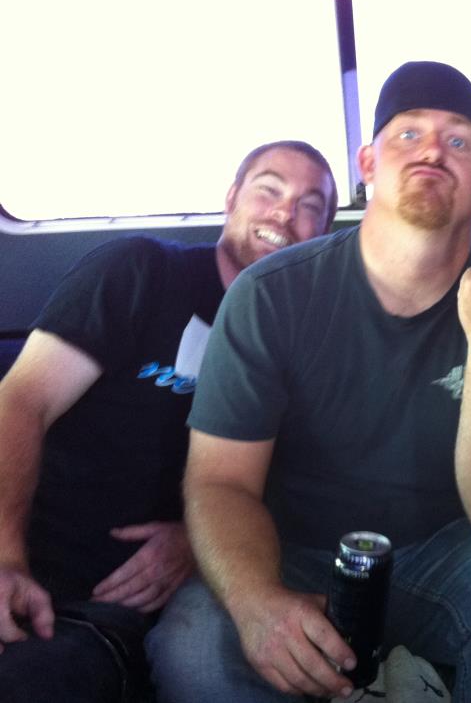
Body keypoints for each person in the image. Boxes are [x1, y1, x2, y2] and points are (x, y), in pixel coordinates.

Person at [145, 61, 471, 703]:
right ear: (369, 163)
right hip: (292, 553)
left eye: (458, 140)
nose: (433, 150)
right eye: (409, 134)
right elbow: (220, 482)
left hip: (447, 554)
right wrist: (257, 602)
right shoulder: (268, 294)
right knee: (192, 647)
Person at [0, 140, 338, 702]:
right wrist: (6, 559)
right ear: (231, 198)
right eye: (269, 190)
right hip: (27, 554)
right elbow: (21, 403)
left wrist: (198, 540)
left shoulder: (306, 344)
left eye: (309, 206)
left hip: (110, 616)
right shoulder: (141, 272)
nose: (284, 213)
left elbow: (295, 483)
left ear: (323, 233)